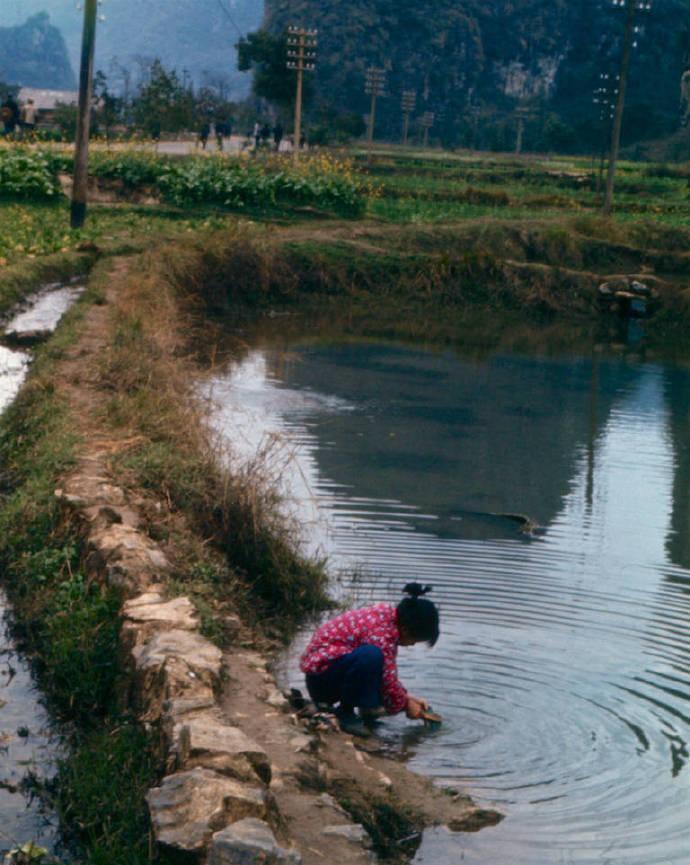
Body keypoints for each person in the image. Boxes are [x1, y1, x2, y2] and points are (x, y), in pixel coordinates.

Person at [300, 583, 439, 736]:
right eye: (414, 641)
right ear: (406, 630)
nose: (412, 645)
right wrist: (406, 705)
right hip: (321, 682)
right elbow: (387, 680)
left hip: (331, 672)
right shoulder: (381, 634)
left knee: (375, 663)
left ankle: (366, 710)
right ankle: (345, 713)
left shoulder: (387, 618)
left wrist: (407, 698)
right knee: (371, 656)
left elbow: (387, 674)